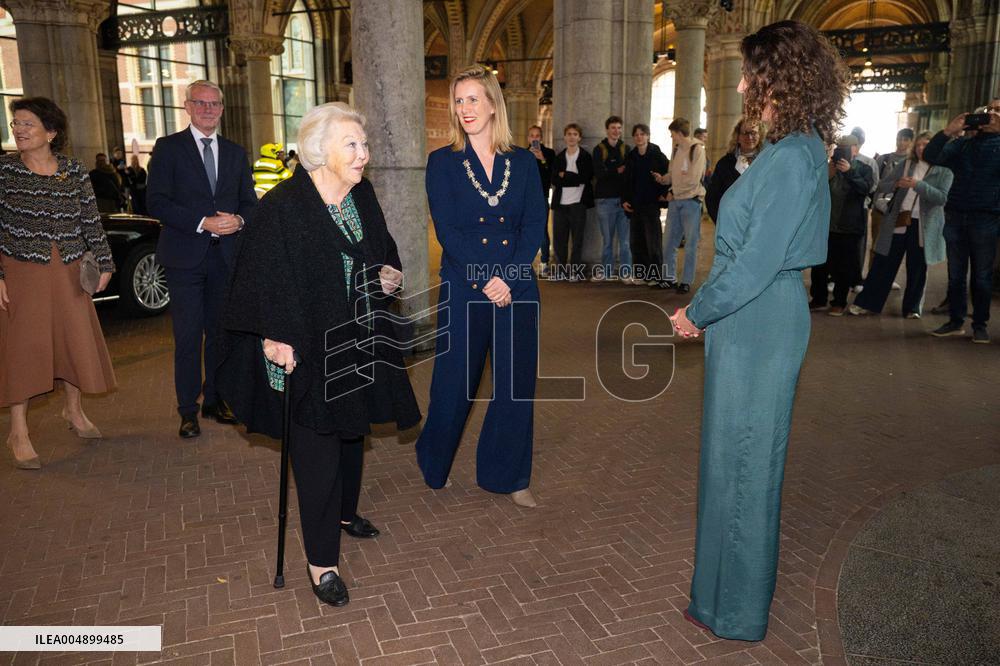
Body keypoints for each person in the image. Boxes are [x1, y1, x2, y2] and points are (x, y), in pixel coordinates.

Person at [670, 19, 850, 641]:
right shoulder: (790, 149)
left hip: (761, 318)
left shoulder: (794, 157)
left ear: (780, 77)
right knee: (729, 459)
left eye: (752, 72)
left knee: (747, 464)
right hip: (750, 319)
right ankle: (715, 597)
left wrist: (697, 310)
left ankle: (738, 609)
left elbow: (755, 262)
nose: (742, 83)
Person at [217, 102, 420, 608]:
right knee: (316, 452)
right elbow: (257, 281)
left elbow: (382, 249)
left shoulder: (361, 195)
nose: (363, 154)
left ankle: (346, 514)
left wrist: (389, 273)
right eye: (351, 144)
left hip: (357, 338)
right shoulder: (283, 207)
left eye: (364, 144)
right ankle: (321, 562)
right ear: (318, 150)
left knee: (353, 432)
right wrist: (272, 335)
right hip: (305, 347)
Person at [415, 65, 545, 508]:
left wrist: (507, 278)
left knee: (514, 386)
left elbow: (533, 226)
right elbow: (448, 231)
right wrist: (486, 279)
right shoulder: (442, 162)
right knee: (454, 385)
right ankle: (434, 462)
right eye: (459, 100)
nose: (465, 108)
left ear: (493, 104)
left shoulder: (524, 162)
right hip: (466, 286)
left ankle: (507, 476)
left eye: (473, 99)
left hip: (517, 289)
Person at [0, 97, 117, 469]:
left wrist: (105, 261)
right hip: (21, 271)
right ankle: (18, 431)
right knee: (23, 350)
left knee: (73, 341)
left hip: (67, 269)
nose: (19, 130)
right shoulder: (5, 171)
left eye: (28, 124)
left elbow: (90, 220)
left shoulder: (73, 170)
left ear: (51, 132)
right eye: (16, 123)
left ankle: (74, 410)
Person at [146, 80, 257, 438]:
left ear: (222, 110)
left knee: (221, 334)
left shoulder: (236, 153)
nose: (208, 109)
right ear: (188, 107)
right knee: (189, 336)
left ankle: (215, 399)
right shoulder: (168, 149)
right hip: (184, 259)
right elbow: (156, 202)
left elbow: (249, 204)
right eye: (201, 103)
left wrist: (238, 221)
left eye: (214, 104)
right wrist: (202, 222)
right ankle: (187, 409)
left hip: (225, 259)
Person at [850, 131, 953, 318]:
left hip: (923, 226)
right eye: (919, 145)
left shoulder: (944, 170)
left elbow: (941, 198)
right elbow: (881, 186)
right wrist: (896, 183)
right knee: (883, 264)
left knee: (918, 267)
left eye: (927, 145)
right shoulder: (906, 164)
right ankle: (867, 303)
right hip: (898, 221)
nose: (922, 149)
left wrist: (917, 185)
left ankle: (912, 308)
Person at [924, 98, 1000, 344]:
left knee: (982, 276)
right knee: (956, 275)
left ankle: (980, 324)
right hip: (956, 216)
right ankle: (955, 321)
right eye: (990, 110)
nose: (991, 115)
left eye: (998, 111)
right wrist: (948, 131)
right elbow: (931, 155)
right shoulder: (963, 145)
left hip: (985, 218)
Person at [808, 134, 873, 315]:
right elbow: (813, 190)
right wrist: (828, 172)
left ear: (855, 148)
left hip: (849, 227)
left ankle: (839, 301)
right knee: (819, 266)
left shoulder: (864, 168)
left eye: (848, 147)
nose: (844, 150)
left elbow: (865, 189)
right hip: (826, 226)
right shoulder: (829, 168)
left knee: (844, 268)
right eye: (840, 147)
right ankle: (818, 298)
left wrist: (849, 172)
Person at [658, 117, 707, 293]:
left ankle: (686, 280)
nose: (672, 138)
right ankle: (669, 277)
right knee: (669, 241)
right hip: (676, 201)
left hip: (691, 202)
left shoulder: (697, 150)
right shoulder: (676, 150)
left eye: (673, 135)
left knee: (691, 243)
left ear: (679, 133)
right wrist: (664, 179)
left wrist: (674, 191)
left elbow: (694, 179)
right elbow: (673, 174)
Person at [622, 123, 669, 286]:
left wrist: (664, 194)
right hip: (635, 205)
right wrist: (625, 200)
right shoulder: (631, 156)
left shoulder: (657, 154)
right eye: (636, 135)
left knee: (653, 241)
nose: (639, 137)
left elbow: (667, 175)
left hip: (651, 204)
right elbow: (626, 181)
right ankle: (641, 275)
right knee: (637, 242)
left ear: (648, 136)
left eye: (642, 134)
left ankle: (656, 276)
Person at [550, 123, 593, 282]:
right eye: (569, 134)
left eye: (575, 134)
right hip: (560, 204)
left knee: (577, 239)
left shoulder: (585, 156)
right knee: (559, 239)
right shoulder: (560, 157)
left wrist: (565, 176)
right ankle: (560, 271)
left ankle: (575, 271)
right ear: (565, 137)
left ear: (579, 137)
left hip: (578, 203)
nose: (572, 137)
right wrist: (573, 178)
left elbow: (586, 178)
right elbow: (554, 180)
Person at [592, 115, 633, 282]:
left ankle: (625, 273)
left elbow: (629, 174)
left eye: (618, 128)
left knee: (625, 241)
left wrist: (610, 170)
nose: (616, 131)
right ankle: (606, 273)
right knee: (607, 241)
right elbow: (599, 174)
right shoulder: (599, 149)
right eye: (613, 128)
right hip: (604, 200)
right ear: (607, 130)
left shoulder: (626, 149)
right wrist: (617, 170)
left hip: (623, 200)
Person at [705, 118, 763, 224]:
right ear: (738, 137)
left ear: (760, 135)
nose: (749, 137)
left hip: (760, 226)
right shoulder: (725, 164)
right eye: (745, 133)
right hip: (732, 226)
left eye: (753, 133)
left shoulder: (767, 162)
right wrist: (721, 223)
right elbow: (712, 198)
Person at [526, 125, 556, 276]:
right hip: (525, 200)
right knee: (524, 231)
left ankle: (544, 263)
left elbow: (552, 177)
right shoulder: (522, 155)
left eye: (537, 136)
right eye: (532, 136)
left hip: (542, 197)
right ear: (528, 138)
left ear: (541, 138)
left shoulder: (549, 154)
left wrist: (542, 160)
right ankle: (525, 263)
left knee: (542, 231)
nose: (534, 138)